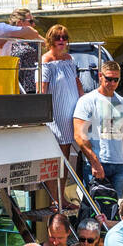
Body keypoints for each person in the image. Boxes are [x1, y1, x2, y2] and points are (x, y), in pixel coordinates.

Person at [73, 60, 123, 214]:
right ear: (100, 76)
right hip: (97, 164)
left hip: (118, 165)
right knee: (93, 210)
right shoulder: (87, 101)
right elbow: (79, 134)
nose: (112, 83)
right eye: (109, 79)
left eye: (116, 80)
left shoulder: (122, 101)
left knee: (113, 211)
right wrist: (94, 162)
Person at [39, 24, 84, 208]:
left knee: (65, 159)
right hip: (56, 116)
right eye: (58, 38)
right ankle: (55, 199)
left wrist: (83, 103)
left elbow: (76, 83)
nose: (61, 41)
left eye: (64, 38)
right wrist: (43, 115)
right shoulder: (46, 60)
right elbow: (42, 90)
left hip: (72, 114)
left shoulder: (70, 59)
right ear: (50, 40)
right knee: (55, 159)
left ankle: (61, 197)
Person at [6, 8, 40, 93]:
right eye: (31, 21)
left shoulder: (32, 42)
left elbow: (47, 44)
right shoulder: (8, 42)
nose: (34, 24)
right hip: (19, 89)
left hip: (35, 88)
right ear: (20, 23)